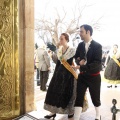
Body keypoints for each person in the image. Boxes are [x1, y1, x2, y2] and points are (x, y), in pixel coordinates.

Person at [44, 33, 77, 119]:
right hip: (59, 75)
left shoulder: (72, 50)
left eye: (62, 39)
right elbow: (58, 63)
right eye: (60, 39)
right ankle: (53, 112)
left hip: (68, 75)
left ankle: (70, 112)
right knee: (55, 93)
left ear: (66, 39)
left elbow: (73, 63)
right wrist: (55, 75)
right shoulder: (59, 50)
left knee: (69, 93)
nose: (60, 40)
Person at [73, 24, 102, 120]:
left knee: (95, 98)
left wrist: (83, 66)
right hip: (82, 76)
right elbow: (77, 56)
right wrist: (79, 61)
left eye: (81, 31)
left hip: (94, 76)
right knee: (79, 97)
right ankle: (76, 117)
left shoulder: (98, 46)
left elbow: (97, 63)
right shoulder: (80, 45)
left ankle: (98, 116)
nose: (79, 33)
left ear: (88, 32)